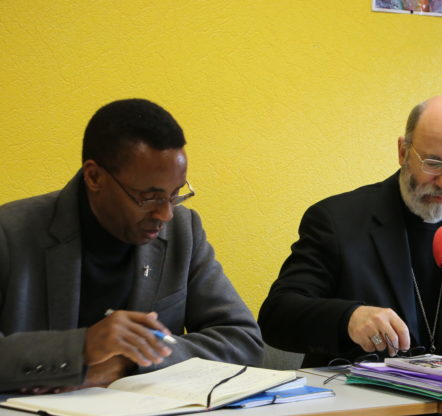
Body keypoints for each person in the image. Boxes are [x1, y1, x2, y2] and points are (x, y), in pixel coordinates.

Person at [259, 95, 442, 416]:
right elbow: (277, 315)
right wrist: (348, 318)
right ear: (402, 151)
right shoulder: (337, 220)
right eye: (433, 163)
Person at [0, 99, 263, 393]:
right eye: (149, 197)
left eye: (176, 194)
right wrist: (82, 348)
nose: (165, 214)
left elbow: (243, 340)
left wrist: (128, 362)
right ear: (94, 176)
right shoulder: (9, 233)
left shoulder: (183, 231)